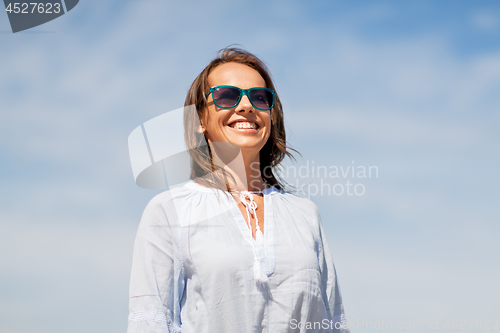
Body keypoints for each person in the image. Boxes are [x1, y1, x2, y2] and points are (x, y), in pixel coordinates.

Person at [127, 47, 349, 333]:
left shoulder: (305, 215)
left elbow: (332, 324)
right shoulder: (170, 210)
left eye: (260, 97)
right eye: (226, 96)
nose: (246, 106)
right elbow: (151, 321)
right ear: (199, 121)